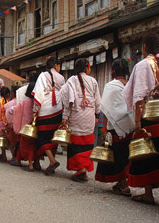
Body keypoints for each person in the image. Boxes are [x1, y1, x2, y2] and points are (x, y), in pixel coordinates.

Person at [123, 33, 159, 205]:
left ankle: (148, 194)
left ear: (144, 47)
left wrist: (137, 121)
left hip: (151, 116)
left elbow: (138, 96)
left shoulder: (144, 65)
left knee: (147, 155)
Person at [95, 58, 134, 196]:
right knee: (125, 157)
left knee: (117, 158)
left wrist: (103, 129)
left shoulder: (110, 86)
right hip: (129, 127)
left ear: (113, 71)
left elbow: (104, 109)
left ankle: (123, 185)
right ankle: (122, 183)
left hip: (115, 128)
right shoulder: (129, 86)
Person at [60, 58, 101, 182]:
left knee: (76, 143)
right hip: (89, 117)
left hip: (76, 116)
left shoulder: (71, 81)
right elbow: (98, 102)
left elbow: (67, 102)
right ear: (87, 67)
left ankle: (80, 169)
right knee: (87, 143)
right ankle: (83, 169)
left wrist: (64, 118)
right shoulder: (93, 81)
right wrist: (97, 116)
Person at [32, 57, 65, 175]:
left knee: (42, 138)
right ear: (55, 65)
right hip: (58, 110)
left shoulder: (43, 75)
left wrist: (35, 110)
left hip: (45, 110)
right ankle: (51, 161)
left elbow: (39, 94)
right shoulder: (61, 78)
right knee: (53, 137)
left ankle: (52, 161)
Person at [14, 82, 37, 171]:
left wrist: (8, 110)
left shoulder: (26, 101)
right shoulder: (37, 101)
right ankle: (35, 164)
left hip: (26, 128)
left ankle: (30, 165)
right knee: (33, 145)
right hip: (35, 126)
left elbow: (16, 109)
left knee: (26, 145)